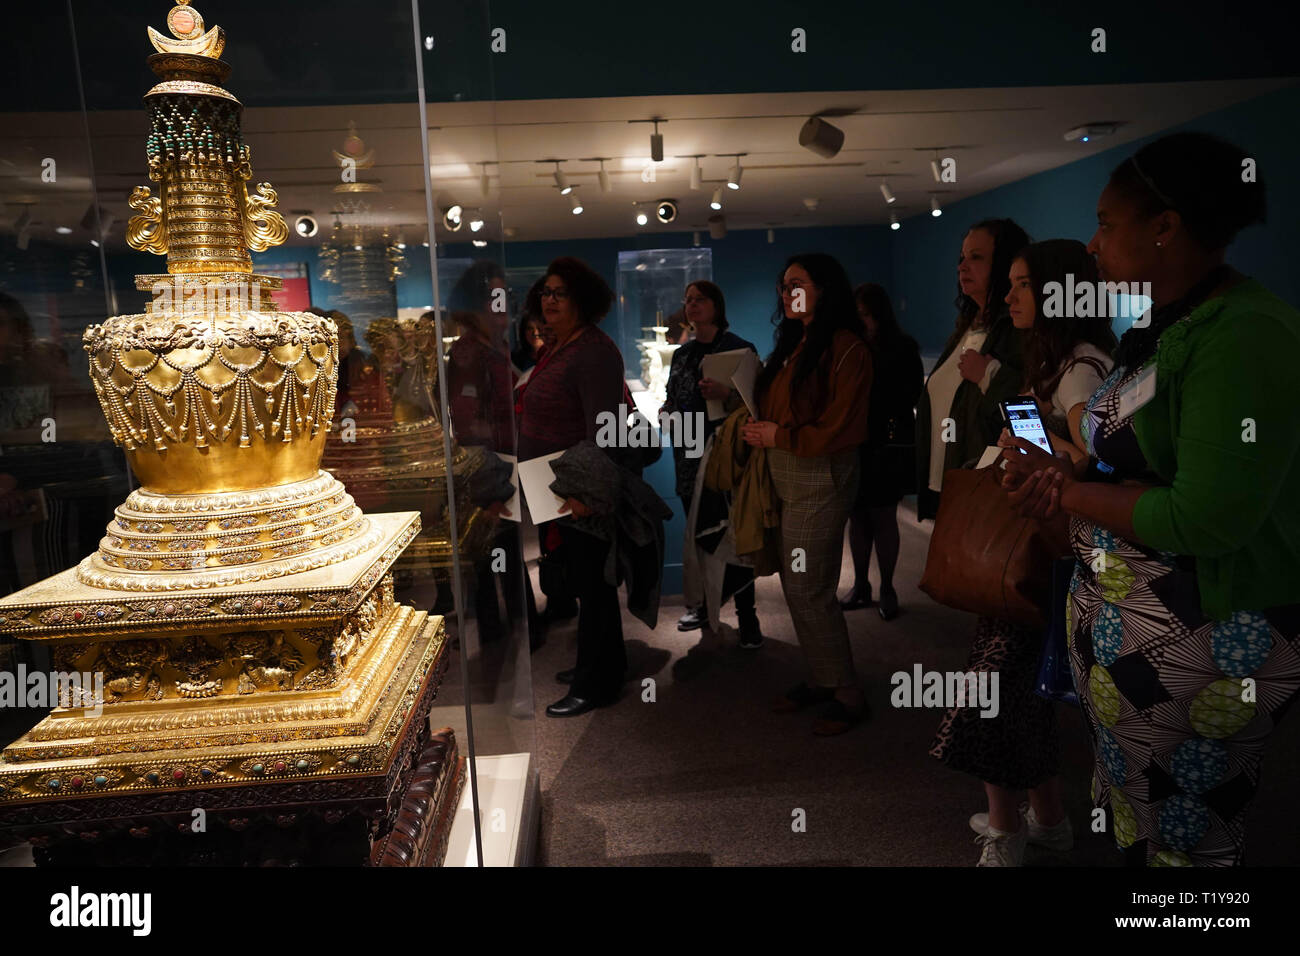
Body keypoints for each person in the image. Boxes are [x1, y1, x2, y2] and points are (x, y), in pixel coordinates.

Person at [999, 132, 1300, 866]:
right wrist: (1059, 475)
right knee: (1141, 827)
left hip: (1212, 636)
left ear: (1164, 227)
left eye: (1107, 223)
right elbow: (1123, 449)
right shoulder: (1168, 328)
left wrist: (1068, 491)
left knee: (1186, 845)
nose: (1094, 246)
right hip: (1130, 635)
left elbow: (1205, 516)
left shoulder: (1242, 334)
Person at [931, 239, 1116, 867]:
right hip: (1045, 551)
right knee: (1018, 692)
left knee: (994, 691)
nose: (1009, 297)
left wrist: (1039, 434)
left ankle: (1007, 832)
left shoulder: (1081, 366)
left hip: (1053, 556)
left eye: (1022, 285)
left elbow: (1095, 461)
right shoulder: (1064, 359)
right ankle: (1048, 819)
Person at [742, 253, 871, 736]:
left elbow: (839, 426)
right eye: (784, 285)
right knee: (798, 586)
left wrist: (780, 437)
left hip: (820, 478)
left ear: (825, 289)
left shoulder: (846, 348)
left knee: (808, 586)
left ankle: (847, 691)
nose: (786, 292)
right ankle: (823, 677)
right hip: (789, 475)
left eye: (797, 283)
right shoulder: (798, 343)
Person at [515, 257, 640, 717]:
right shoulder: (558, 346)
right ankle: (603, 663)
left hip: (578, 489)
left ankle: (597, 683)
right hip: (552, 485)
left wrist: (587, 498)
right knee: (582, 582)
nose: (549, 299)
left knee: (594, 585)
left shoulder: (593, 351)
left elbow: (603, 431)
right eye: (545, 292)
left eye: (560, 293)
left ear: (582, 301)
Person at [661, 280, 763, 647]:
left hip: (728, 455)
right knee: (698, 535)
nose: (691, 305)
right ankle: (704, 606)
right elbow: (672, 397)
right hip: (688, 453)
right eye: (687, 300)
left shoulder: (740, 349)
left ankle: (747, 616)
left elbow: (758, 405)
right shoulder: (683, 354)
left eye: (698, 299)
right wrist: (666, 413)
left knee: (734, 537)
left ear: (716, 305)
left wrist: (728, 395)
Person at [915, 219, 1030, 520]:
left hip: (988, 487)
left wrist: (990, 375)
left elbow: (1029, 406)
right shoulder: (966, 326)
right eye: (961, 258)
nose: (962, 266)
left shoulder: (1017, 328)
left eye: (976, 257)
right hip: (952, 481)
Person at [839, 283, 923, 621]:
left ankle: (887, 586)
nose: (862, 321)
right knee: (858, 517)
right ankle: (861, 584)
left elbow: (910, 395)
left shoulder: (902, 347)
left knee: (884, 517)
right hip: (857, 442)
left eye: (866, 315)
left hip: (886, 443)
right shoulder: (850, 347)